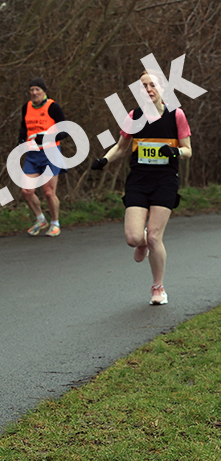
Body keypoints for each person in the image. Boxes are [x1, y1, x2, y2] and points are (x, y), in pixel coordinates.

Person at [90, 70, 192, 305]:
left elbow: (188, 150)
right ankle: (142, 241)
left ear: (162, 88)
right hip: (138, 180)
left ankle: (158, 288)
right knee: (133, 238)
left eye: (152, 85)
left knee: (155, 236)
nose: (148, 90)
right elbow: (121, 147)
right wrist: (104, 160)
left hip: (165, 180)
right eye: (144, 86)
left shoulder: (176, 115)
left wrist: (174, 151)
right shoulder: (134, 116)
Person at [19, 78, 68, 237]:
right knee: (27, 191)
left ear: (44, 91)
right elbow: (23, 127)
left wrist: (47, 138)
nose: (34, 93)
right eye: (32, 90)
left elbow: (65, 131)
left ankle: (55, 223)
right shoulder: (26, 107)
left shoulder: (53, 107)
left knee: (48, 192)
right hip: (33, 154)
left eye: (37, 90)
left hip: (50, 154)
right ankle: (41, 219)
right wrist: (21, 140)